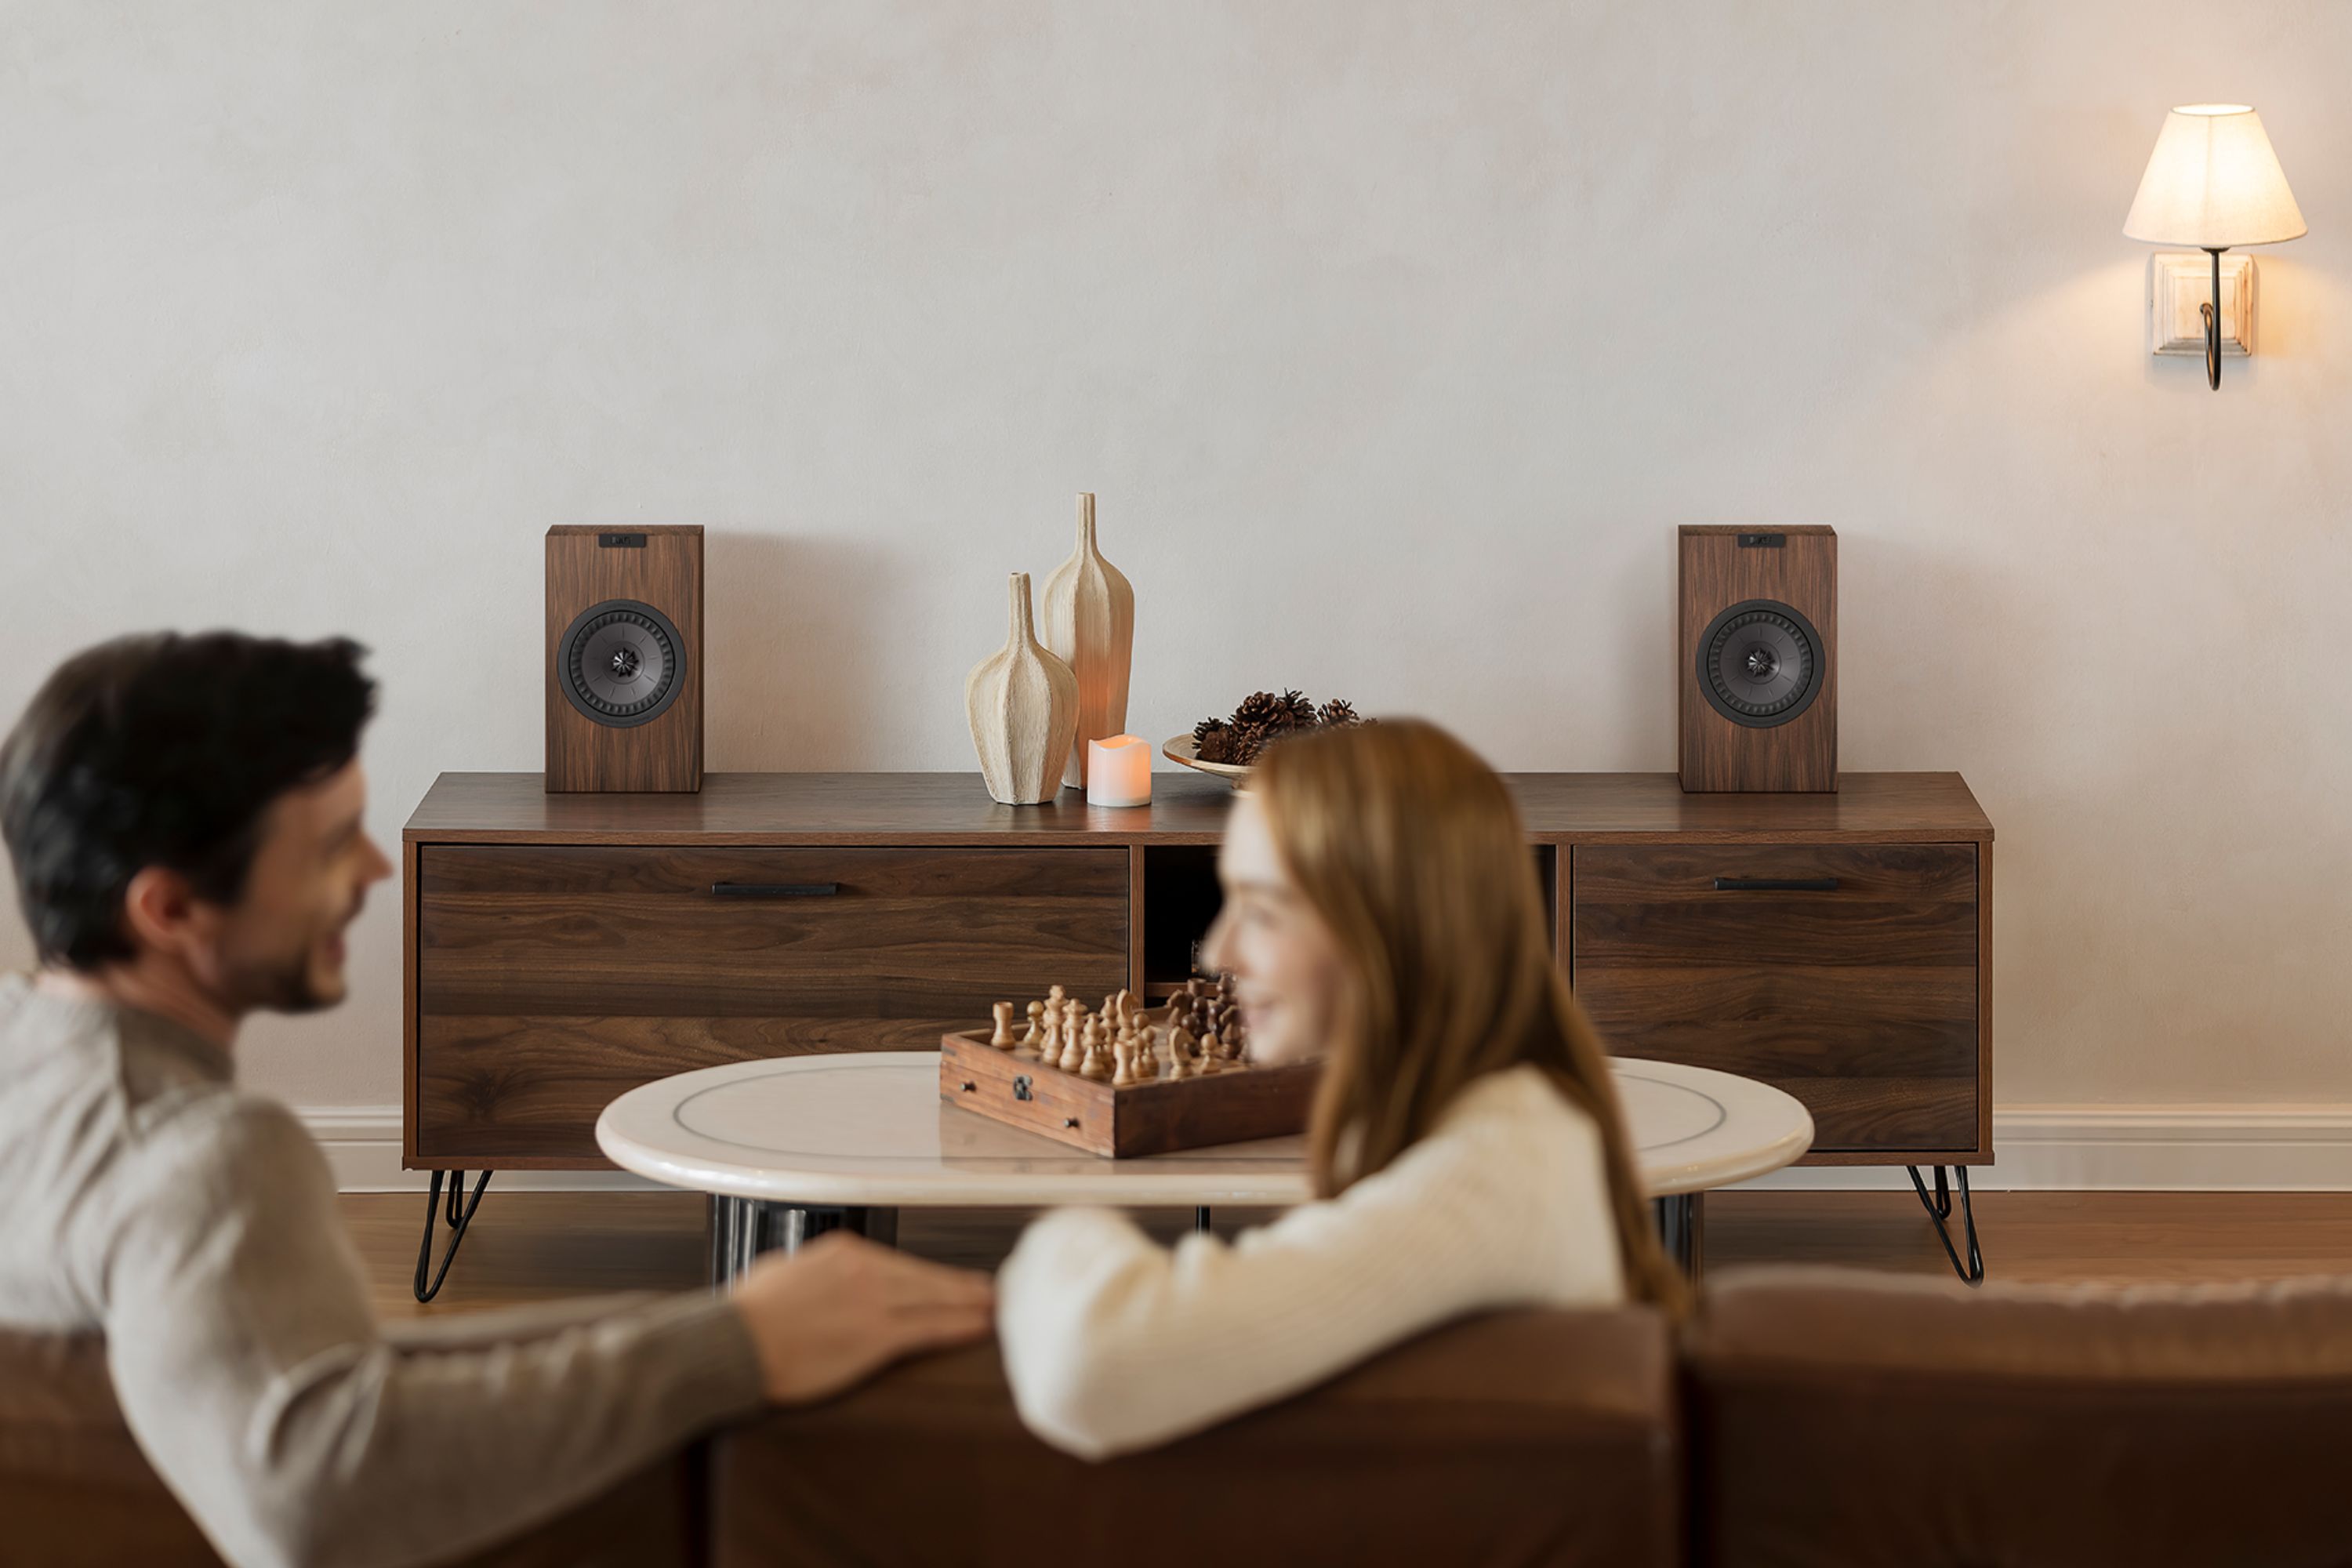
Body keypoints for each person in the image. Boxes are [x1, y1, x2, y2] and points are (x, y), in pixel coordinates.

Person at [0, 632, 994, 1568]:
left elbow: (318, 1389)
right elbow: (315, 1486)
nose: (377, 871)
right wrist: (736, 1343)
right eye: (331, 846)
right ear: (169, 908)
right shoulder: (206, 1156)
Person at [995, 717, 1683, 1458]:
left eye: (1262, 910)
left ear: (1387, 931)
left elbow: (1093, 1368)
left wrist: (1057, 1232)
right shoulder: (1509, 1120)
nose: (1219, 952)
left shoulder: (1494, 1171)